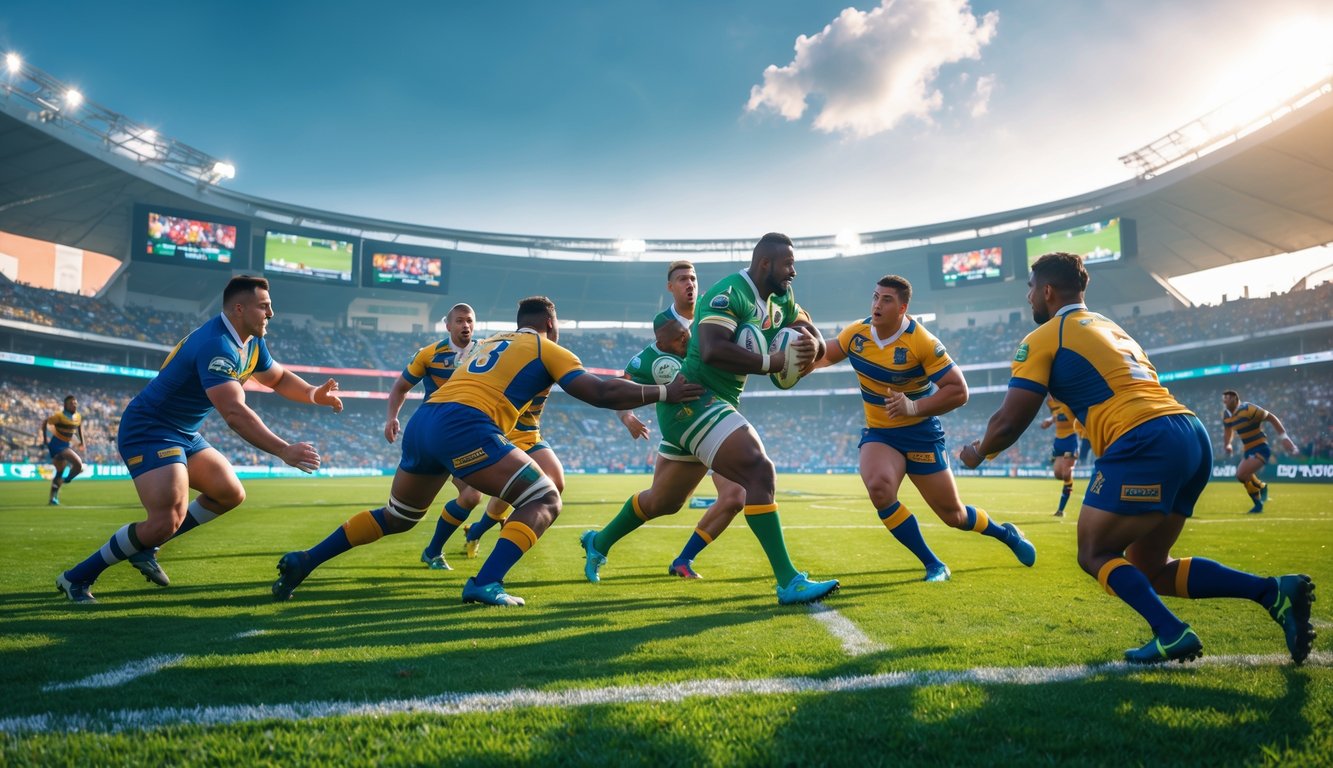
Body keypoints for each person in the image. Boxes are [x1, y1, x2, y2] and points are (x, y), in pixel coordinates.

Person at [960, 252, 1315, 665]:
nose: (1028, 298)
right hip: (1188, 433)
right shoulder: (1113, 328)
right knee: (1148, 566)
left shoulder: (1043, 337)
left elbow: (1009, 419)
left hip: (1143, 439)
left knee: (1093, 551)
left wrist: (979, 452)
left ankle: (1170, 631)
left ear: (1048, 291)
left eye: (1030, 289)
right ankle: (1273, 593)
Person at [272, 296, 703, 606]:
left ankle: (305, 561)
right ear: (551, 327)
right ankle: (486, 581)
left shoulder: (489, 341)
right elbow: (600, 391)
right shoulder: (546, 347)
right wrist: (665, 391)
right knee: (546, 497)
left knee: (398, 517)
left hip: (426, 420)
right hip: (465, 425)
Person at [581, 234, 840, 604]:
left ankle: (598, 541)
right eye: (788, 265)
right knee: (758, 470)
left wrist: (813, 344)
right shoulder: (728, 293)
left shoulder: (781, 297)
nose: (793, 272)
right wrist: (773, 363)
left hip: (711, 403)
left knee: (663, 502)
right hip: (695, 398)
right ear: (765, 263)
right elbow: (716, 349)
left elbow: (807, 325)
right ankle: (788, 581)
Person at [56, 275, 343, 604]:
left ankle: (147, 545)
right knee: (165, 519)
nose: (271, 313)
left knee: (229, 493)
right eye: (264, 306)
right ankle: (76, 577)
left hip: (182, 431)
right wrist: (283, 450)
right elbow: (234, 413)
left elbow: (276, 378)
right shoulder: (217, 346)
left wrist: (312, 394)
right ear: (239, 308)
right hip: (150, 429)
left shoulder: (249, 341)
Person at [813, 275, 1035, 582]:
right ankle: (933, 564)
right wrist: (794, 357)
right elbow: (825, 354)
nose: (877, 304)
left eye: (886, 300)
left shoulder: (923, 342)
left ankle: (1006, 534)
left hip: (920, 434)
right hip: (881, 434)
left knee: (953, 516)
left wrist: (913, 407)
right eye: (875, 297)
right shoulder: (857, 333)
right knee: (879, 488)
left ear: (902, 307)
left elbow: (959, 391)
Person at [591, 260, 747, 580]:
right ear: (670, 287)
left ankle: (681, 560)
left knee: (733, 496)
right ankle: (601, 541)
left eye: (693, 278)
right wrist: (627, 416)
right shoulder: (665, 326)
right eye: (682, 279)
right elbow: (626, 382)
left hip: (717, 413)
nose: (690, 284)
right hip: (685, 423)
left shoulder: (714, 313)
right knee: (664, 502)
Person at [384, 303, 483, 569]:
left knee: (473, 495)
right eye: (460, 321)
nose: (466, 326)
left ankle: (437, 549)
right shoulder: (429, 355)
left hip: (467, 436)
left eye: (470, 321)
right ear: (448, 325)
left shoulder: (486, 352)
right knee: (403, 516)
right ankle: (438, 548)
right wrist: (392, 417)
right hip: (436, 437)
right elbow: (400, 388)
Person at [459, 386, 567, 560]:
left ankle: (477, 530)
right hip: (502, 433)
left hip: (530, 433)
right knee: (510, 492)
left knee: (555, 485)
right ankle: (493, 540)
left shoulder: (550, 360)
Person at [1221, 389, 1298, 514]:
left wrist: (1284, 438)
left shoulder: (1249, 409)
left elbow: (1271, 418)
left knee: (1241, 474)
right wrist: (1228, 444)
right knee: (1242, 476)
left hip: (1261, 448)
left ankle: (1258, 505)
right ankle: (1262, 487)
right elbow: (1228, 431)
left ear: (1235, 399)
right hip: (1248, 450)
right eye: (1223, 398)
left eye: (1227, 398)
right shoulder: (1226, 415)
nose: (1224, 401)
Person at [1039, 396, 1085, 517]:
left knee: (1066, 472)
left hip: (1071, 441)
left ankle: (1060, 510)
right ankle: (1069, 475)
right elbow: (1055, 415)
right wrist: (1048, 422)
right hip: (1058, 442)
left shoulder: (1070, 400)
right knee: (1058, 474)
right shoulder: (1051, 403)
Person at [42, 395, 85, 506]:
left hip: (65, 445)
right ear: (65, 405)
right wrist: (45, 439)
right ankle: (67, 480)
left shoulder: (77, 417)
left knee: (60, 472)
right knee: (78, 464)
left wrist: (82, 442)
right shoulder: (59, 416)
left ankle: (53, 498)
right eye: (72, 403)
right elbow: (45, 423)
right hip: (56, 446)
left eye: (75, 403)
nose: (74, 405)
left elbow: (79, 428)